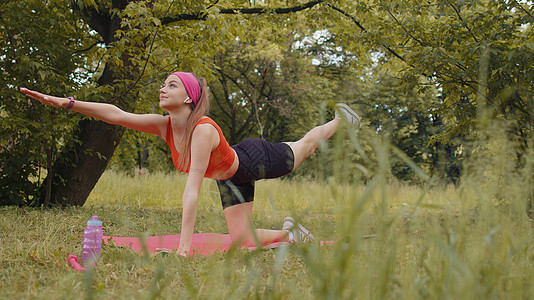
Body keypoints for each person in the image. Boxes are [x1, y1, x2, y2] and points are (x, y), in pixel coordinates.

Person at [20, 71, 360, 256]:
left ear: (188, 97)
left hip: (255, 160)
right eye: (164, 83)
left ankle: (341, 121)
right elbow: (116, 114)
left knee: (304, 148)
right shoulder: (164, 125)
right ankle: (292, 233)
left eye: (171, 84)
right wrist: (67, 102)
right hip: (231, 177)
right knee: (241, 238)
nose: (162, 88)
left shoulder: (202, 130)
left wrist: (184, 247)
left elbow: (192, 191)